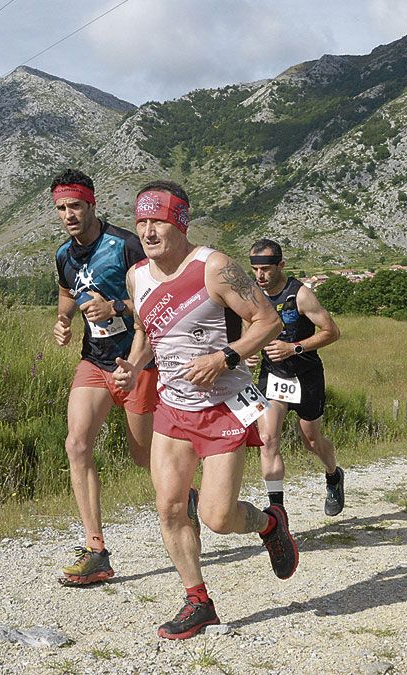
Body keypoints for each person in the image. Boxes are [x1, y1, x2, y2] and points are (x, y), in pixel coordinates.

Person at [113, 180, 297, 640]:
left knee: (217, 517)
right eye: (142, 221)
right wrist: (133, 368)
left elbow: (268, 321)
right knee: (171, 507)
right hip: (173, 408)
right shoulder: (137, 276)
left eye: (158, 220)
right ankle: (198, 600)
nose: (149, 230)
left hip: (224, 407)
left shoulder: (214, 267)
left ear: (180, 222)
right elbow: (144, 331)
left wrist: (225, 357)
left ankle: (269, 523)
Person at [50, 168, 158, 586]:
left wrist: (115, 307)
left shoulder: (126, 245)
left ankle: (186, 500)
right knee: (77, 444)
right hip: (94, 361)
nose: (68, 215)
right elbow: (65, 294)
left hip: (138, 361)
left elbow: (155, 296)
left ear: (92, 204)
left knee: (143, 457)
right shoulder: (63, 254)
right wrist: (63, 320)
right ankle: (97, 551)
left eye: (75, 205)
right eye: (61, 208)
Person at [246, 238, 345, 515]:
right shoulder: (252, 294)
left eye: (265, 269)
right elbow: (248, 330)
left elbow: (332, 332)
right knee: (267, 439)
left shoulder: (300, 295)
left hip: (306, 375)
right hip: (273, 376)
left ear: (280, 265)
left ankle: (333, 474)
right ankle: (277, 513)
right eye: (254, 269)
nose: (260, 275)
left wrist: (294, 347)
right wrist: (248, 351)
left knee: (311, 440)